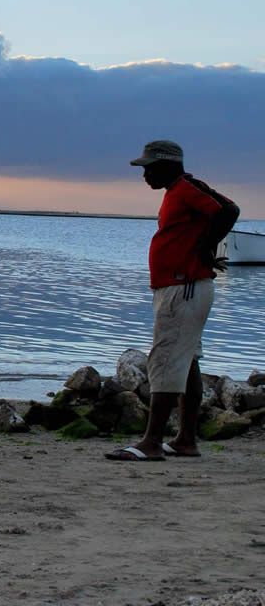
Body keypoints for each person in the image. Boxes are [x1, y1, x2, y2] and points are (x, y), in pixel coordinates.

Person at [107, 140, 239, 461]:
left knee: (165, 359)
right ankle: (185, 440)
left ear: (168, 165)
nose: (145, 175)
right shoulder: (178, 191)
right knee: (187, 361)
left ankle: (152, 442)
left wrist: (206, 247)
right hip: (183, 287)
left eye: (149, 168)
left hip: (184, 288)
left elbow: (229, 210)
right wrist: (204, 247)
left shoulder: (185, 189)